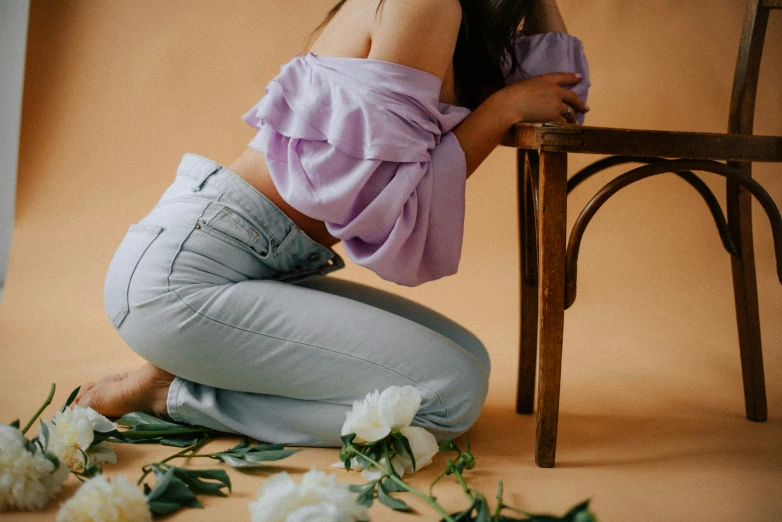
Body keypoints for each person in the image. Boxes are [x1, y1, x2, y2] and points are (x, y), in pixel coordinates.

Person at [74, 0, 589, 446]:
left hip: (244, 264)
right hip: (185, 277)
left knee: (470, 358)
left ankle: (182, 377)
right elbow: (386, 203)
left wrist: (516, 93)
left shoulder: (452, 18)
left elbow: (561, 102)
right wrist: (500, 109)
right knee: (449, 397)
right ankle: (174, 395)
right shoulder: (423, 5)